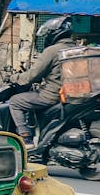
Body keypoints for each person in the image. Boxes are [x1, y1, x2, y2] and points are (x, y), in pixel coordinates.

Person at [8, 15, 77, 146]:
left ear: (54, 34)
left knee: (15, 101)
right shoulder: (77, 49)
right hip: (73, 93)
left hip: (52, 95)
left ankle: (25, 138)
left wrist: (13, 78)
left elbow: (32, 76)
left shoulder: (52, 51)